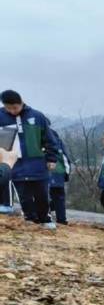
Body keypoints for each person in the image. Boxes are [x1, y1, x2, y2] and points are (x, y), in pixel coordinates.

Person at [0, 89, 60, 227]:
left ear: (21, 102)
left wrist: (51, 159)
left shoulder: (37, 116)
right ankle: (30, 219)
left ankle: (45, 219)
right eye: (8, 108)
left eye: (15, 107)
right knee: (24, 196)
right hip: (15, 164)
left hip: (37, 163)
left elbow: (49, 139)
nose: (12, 111)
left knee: (42, 195)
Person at [47, 128, 71, 225]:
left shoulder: (45, 141)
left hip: (50, 173)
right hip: (60, 173)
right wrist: (66, 174)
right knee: (59, 197)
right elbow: (66, 159)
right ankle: (62, 219)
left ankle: (46, 217)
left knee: (46, 196)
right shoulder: (60, 143)